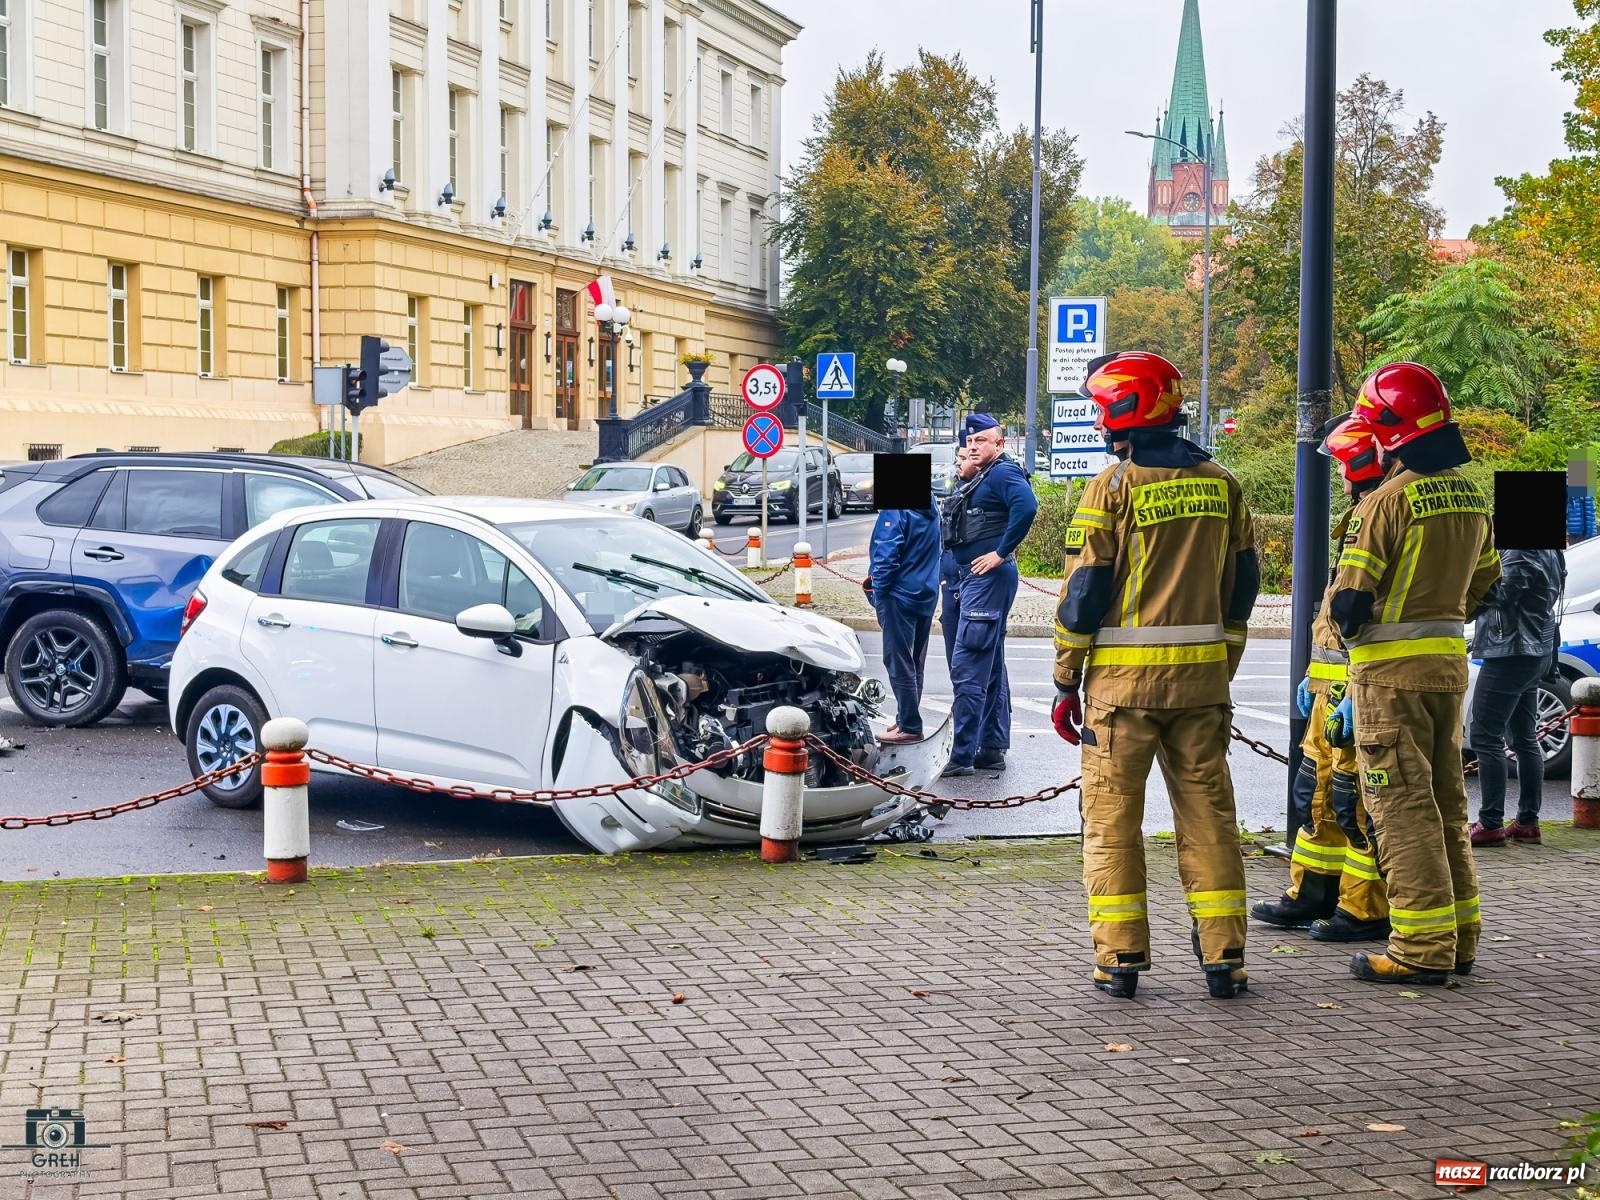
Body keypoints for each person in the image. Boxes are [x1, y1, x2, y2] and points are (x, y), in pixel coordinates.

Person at [1050, 351, 1259, 1000]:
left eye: (1100, 408)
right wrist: (1222, 662)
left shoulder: (1113, 488)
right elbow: (1244, 587)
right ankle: (1225, 957)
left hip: (1122, 694)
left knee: (1112, 825)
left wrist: (1065, 679)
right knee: (1210, 821)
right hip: (1202, 690)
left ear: (1122, 411)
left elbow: (1084, 594)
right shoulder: (1223, 483)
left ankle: (1121, 959)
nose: (1097, 419)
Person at [1329, 361, 1500, 986]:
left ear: (1389, 432)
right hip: (1448, 671)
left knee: (1402, 812)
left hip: (1389, 680)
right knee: (1450, 810)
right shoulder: (1470, 495)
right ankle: (1460, 940)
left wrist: (1357, 633)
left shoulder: (1384, 501)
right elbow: (1488, 583)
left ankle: (1420, 950)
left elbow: (1348, 603)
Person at [1250, 415, 1391, 942]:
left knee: (1356, 803)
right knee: (1317, 794)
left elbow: (1369, 614)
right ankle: (1313, 892)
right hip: (1329, 688)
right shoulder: (1362, 512)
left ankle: (1365, 908)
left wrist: (1355, 686)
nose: (1341, 474)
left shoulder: (1381, 513)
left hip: (1358, 687)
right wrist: (1316, 676)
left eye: (1344, 463)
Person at [941, 413, 1038, 777]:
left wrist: (1001, 552)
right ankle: (992, 747)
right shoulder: (976, 476)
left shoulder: (1002, 472)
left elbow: (1027, 506)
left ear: (1000, 444)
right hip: (964, 582)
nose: (973, 446)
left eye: (981, 440)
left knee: (968, 667)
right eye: (969, 442)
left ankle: (962, 755)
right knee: (989, 665)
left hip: (986, 582)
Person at [1467, 546, 1565, 846]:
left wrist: (1465, 590)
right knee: (1524, 738)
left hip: (1510, 651)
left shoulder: (1521, 551)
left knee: (1485, 736)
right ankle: (1527, 822)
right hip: (1535, 649)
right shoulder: (1551, 551)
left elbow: (1501, 594)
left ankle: (1490, 822)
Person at [864, 496, 943, 744]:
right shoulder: (932, 509)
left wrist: (879, 592)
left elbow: (886, 556)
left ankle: (909, 725)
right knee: (915, 660)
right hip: (925, 594)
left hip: (899, 596)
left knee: (898, 661)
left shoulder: (896, 509)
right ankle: (905, 718)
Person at [939, 445, 981, 669]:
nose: (958, 462)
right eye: (958, 458)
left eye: (963, 458)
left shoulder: (983, 492)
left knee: (972, 660)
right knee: (954, 659)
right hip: (950, 585)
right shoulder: (957, 489)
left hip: (969, 584)